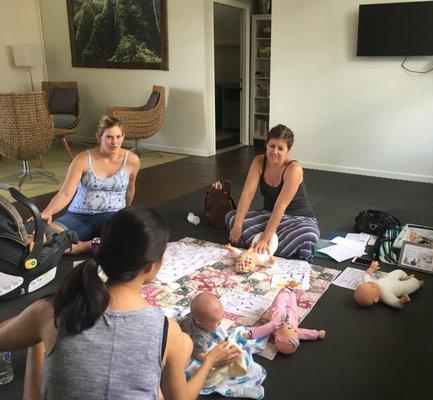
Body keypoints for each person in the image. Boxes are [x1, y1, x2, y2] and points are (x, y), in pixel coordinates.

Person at [0, 207, 239, 400]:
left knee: (37, 343)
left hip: (42, 320)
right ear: (150, 267)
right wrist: (209, 361)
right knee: (180, 351)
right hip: (172, 345)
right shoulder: (168, 331)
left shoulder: (51, 311)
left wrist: (34, 330)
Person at [39, 115, 140, 253]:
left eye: (118, 137)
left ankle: (79, 246)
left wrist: (126, 214)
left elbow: (130, 189)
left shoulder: (132, 160)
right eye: (109, 137)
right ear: (99, 137)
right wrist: (47, 212)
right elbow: (65, 193)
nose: (114, 142)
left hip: (112, 215)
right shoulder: (82, 159)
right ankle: (91, 245)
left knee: (130, 237)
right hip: (79, 215)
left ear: (123, 136)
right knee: (47, 235)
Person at [226, 124, 320, 261]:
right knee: (232, 217)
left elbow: (280, 207)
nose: (274, 151)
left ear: (287, 150)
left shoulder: (294, 169)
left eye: (280, 148)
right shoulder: (259, 161)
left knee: (308, 235)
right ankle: (274, 248)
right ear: (266, 145)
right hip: (269, 215)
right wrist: (238, 225)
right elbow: (247, 194)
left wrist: (264, 239)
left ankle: (261, 245)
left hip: (298, 219)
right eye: (272, 146)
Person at [179, 292, 226, 360]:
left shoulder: (193, 315)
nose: (220, 323)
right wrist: (216, 356)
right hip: (181, 341)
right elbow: (200, 356)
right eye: (218, 323)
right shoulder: (200, 337)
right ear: (199, 324)